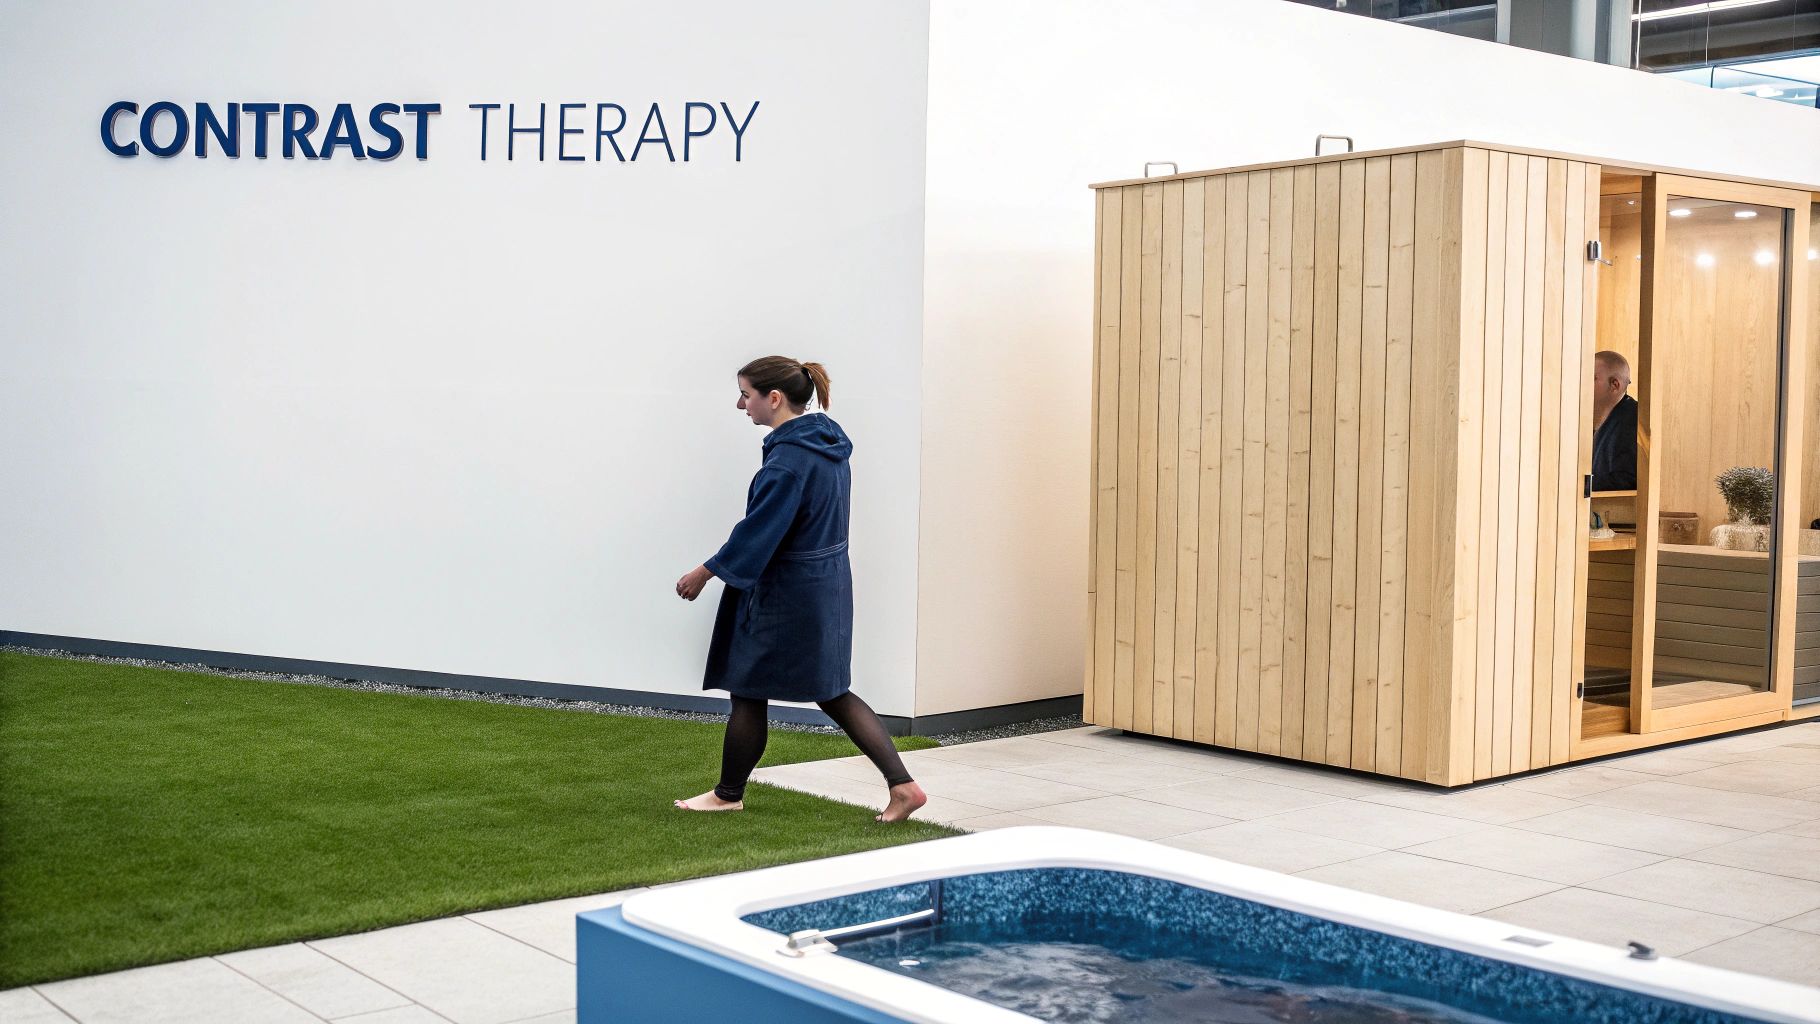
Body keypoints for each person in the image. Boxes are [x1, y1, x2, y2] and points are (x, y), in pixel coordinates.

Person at [672, 356, 927, 823]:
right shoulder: (827, 445)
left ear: (774, 398)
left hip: (785, 593)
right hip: (825, 586)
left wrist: (704, 571)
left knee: (748, 688)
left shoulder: (788, 461)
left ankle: (728, 794)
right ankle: (903, 787)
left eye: (746, 394)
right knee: (830, 690)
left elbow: (759, 531)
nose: (739, 404)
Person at [1591, 350, 1637, 491]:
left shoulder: (1632, 419)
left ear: (1614, 385)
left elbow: (1627, 480)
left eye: (1592, 378)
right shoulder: (1603, 417)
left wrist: (1578, 483)